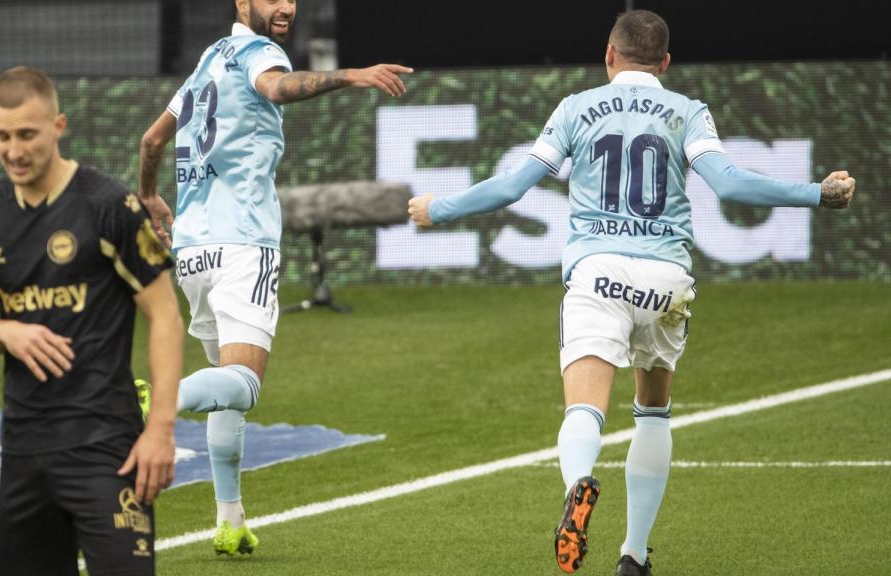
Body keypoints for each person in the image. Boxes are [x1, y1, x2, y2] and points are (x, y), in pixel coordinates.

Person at [408, 10, 855, 576]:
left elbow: (514, 186)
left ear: (609, 54)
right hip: (664, 282)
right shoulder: (688, 111)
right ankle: (635, 556)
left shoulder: (577, 108)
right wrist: (817, 193)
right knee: (652, 413)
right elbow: (732, 184)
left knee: (584, 409)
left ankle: (577, 487)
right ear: (665, 62)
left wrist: (437, 209)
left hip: (597, 274)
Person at [136, 0, 412, 558]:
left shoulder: (207, 61)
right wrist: (349, 76)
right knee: (246, 384)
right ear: (243, 4)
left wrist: (146, 193)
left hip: (193, 249)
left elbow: (151, 141)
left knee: (226, 391)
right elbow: (277, 88)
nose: (286, 5)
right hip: (242, 243)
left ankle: (229, 518)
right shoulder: (260, 53)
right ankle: (150, 402)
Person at [0, 66, 184, 576]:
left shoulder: (110, 206)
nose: (14, 150)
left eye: (27, 135)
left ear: (58, 127)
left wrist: (161, 430)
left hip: (106, 447)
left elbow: (165, 314)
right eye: (3, 136)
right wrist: (6, 331)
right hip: (23, 447)